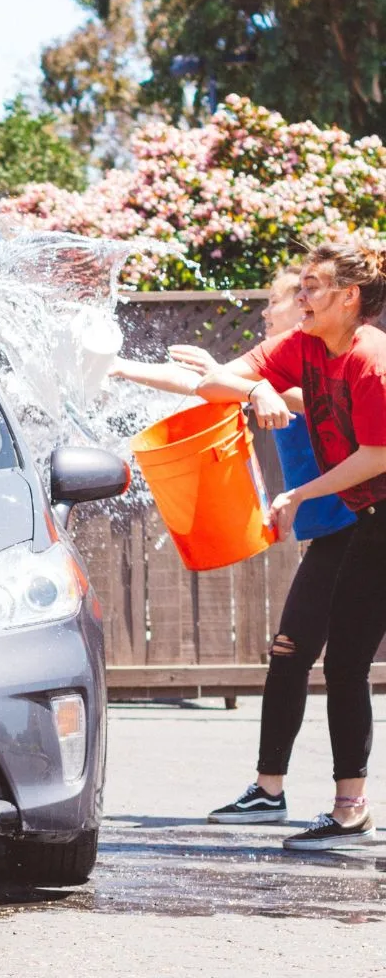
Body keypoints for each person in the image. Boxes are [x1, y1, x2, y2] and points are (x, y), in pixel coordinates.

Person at [112, 266, 357, 828]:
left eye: (281, 302)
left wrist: (244, 382)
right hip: (332, 532)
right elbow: (199, 385)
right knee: (294, 658)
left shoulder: (324, 368)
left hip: (359, 529)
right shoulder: (277, 368)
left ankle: (334, 802)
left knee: (314, 660)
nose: (268, 314)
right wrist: (119, 367)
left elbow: (301, 398)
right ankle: (272, 792)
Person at [196, 241, 386, 850]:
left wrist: (300, 493)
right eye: (299, 287)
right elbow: (213, 382)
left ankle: (349, 809)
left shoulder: (371, 359)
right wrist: (255, 392)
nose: (299, 298)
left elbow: (378, 455)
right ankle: (348, 810)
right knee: (345, 663)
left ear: (349, 296)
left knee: (346, 662)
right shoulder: (302, 347)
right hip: (371, 521)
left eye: (311, 287)